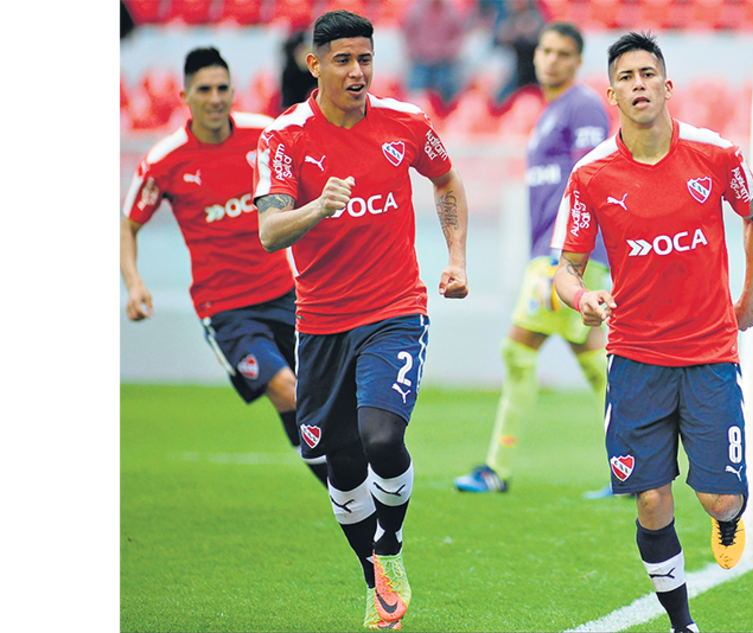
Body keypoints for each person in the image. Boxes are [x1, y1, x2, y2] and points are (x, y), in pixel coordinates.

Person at [253, 11, 469, 631]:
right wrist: (319, 206)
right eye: (343, 60)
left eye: (365, 59)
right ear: (313, 63)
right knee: (339, 466)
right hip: (320, 321)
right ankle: (374, 575)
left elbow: (446, 180)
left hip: (395, 308)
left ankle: (391, 546)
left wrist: (454, 259)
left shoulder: (406, 123)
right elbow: (269, 232)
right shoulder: (285, 137)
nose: (357, 72)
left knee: (381, 438)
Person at [551, 32, 753, 633]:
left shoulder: (716, 154)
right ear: (612, 94)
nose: (639, 84)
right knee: (651, 499)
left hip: (708, 354)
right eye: (627, 76)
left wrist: (749, 297)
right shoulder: (591, 175)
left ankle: (728, 518)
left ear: (667, 86)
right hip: (635, 359)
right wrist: (584, 297)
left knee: (720, 500)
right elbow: (565, 270)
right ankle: (682, 624)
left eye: (649, 73)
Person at [118, 47, 329, 488]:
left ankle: (341, 487)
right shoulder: (165, 159)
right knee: (288, 389)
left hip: (288, 293)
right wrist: (134, 284)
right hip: (227, 309)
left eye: (222, 88)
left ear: (233, 91)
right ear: (185, 96)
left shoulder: (263, 134)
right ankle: (344, 489)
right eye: (204, 90)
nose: (215, 98)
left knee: (317, 395)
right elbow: (128, 225)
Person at [454, 22, 611, 496]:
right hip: (554, 254)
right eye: (546, 50)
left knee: (520, 352)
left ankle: (497, 468)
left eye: (564, 52)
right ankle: (636, 465)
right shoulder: (551, 110)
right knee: (596, 362)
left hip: (565, 258)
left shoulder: (583, 105)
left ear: (577, 61)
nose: (551, 59)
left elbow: (591, 178)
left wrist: (566, 259)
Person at [401, 0, 468, 106]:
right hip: (421, 60)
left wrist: (449, 51)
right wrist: (414, 50)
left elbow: (458, 35)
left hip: (443, 61)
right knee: (415, 94)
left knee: (448, 89)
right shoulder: (417, 10)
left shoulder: (451, 11)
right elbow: (408, 32)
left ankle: (445, 113)